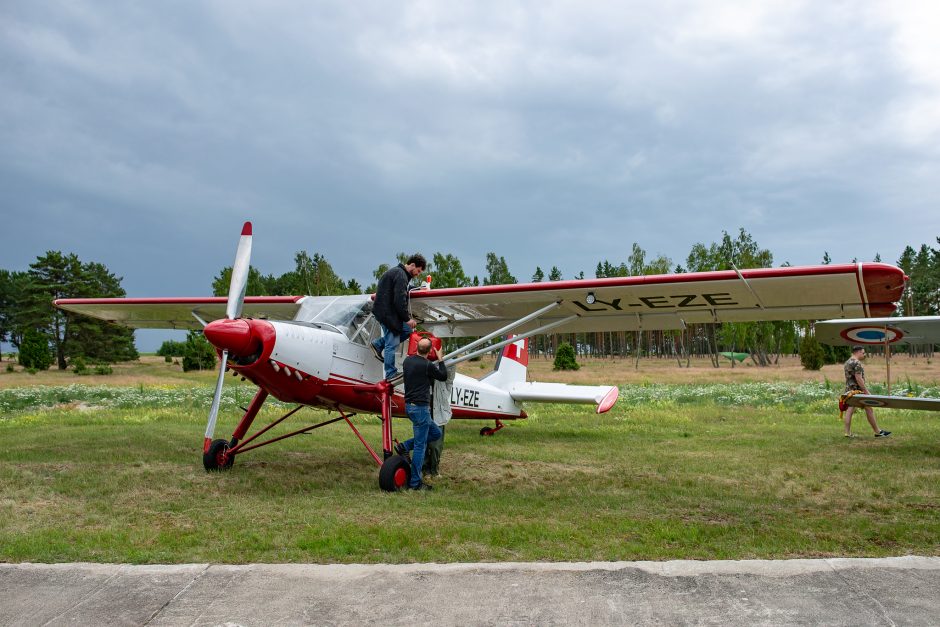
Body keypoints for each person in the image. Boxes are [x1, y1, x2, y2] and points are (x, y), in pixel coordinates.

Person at [396, 337, 447, 490]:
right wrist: (441, 359)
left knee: (436, 433)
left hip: (409, 407)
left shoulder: (407, 361)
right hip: (421, 409)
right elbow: (443, 376)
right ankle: (415, 483)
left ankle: (404, 446)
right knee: (420, 446)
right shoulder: (428, 365)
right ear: (430, 351)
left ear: (416, 347)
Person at [371, 254, 426, 379]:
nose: (417, 274)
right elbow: (399, 300)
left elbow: (401, 289)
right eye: (418, 271)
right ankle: (390, 373)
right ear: (412, 265)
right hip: (388, 315)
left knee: (406, 330)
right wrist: (407, 319)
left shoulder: (398, 273)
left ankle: (378, 344)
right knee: (392, 343)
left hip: (385, 312)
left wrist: (417, 288)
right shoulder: (401, 276)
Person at [843, 346, 891, 438]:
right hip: (858, 392)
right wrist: (865, 391)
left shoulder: (847, 362)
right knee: (869, 409)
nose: (864, 355)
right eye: (863, 353)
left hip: (849, 390)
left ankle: (847, 433)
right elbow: (858, 378)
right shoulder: (857, 363)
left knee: (849, 411)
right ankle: (878, 432)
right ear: (859, 352)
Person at [424, 361, 455, 478]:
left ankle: (434, 469)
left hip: (438, 416)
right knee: (424, 444)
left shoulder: (444, 381)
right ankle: (425, 469)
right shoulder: (424, 375)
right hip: (425, 414)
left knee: (436, 446)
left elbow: (451, 370)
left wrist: (440, 359)